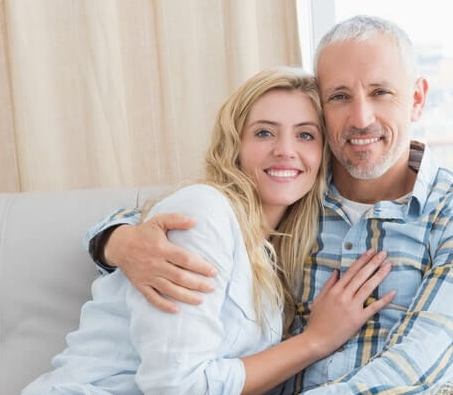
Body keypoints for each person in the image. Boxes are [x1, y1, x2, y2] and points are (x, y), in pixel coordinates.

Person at [88, 16, 453, 394]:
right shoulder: (296, 191)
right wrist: (117, 242)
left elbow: (421, 360)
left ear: (417, 99)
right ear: (321, 108)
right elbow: (195, 215)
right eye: (340, 96)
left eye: (381, 92)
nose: (361, 118)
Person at [23, 68, 397, 395]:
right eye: (265, 133)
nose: (285, 150)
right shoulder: (205, 210)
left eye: (305, 136)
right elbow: (177, 387)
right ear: (235, 145)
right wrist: (316, 341)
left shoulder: (273, 246)